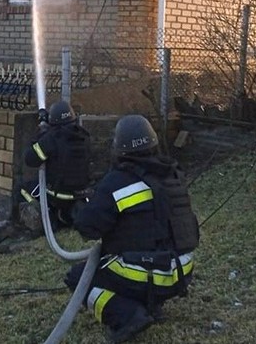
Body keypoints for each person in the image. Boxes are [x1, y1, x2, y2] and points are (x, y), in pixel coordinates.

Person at [66, 114, 199, 343]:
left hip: (146, 275)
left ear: (119, 149)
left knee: (78, 277)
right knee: (144, 250)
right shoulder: (174, 174)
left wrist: (83, 205)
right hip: (181, 273)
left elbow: (88, 228)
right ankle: (153, 308)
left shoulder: (116, 181)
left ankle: (127, 315)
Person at [21, 100, 93, 229]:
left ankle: (43, 219)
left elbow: (30, 159)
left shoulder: (51, 139)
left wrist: (41, 133)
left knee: (21, 189)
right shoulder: (84, 135)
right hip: (81, 195)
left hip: (57, 196)